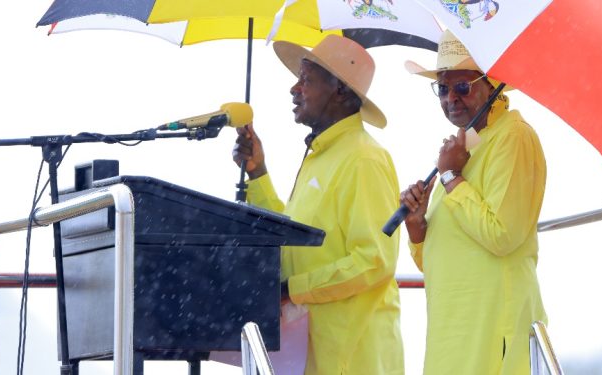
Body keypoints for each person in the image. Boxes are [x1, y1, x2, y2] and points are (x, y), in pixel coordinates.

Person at [232, 34, 404, 375]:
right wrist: (258, 173)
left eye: (306, 80)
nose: (294, 89)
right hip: (312, 352)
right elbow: (290, 238)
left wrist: (292, 290)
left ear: (339, 90)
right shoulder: (321, 155)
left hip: (354, 357)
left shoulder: (364, 159)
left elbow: (374, 260)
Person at [400, 30, 548, 374]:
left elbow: (501, 235)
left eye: (462, 86)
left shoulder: (514, 136)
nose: (450, 97)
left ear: (491, 84)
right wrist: (418, 228)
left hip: (492, 332)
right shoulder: (464, 147)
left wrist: (452, 178)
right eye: (442, 87)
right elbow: (439, 261)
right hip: (453, 336)